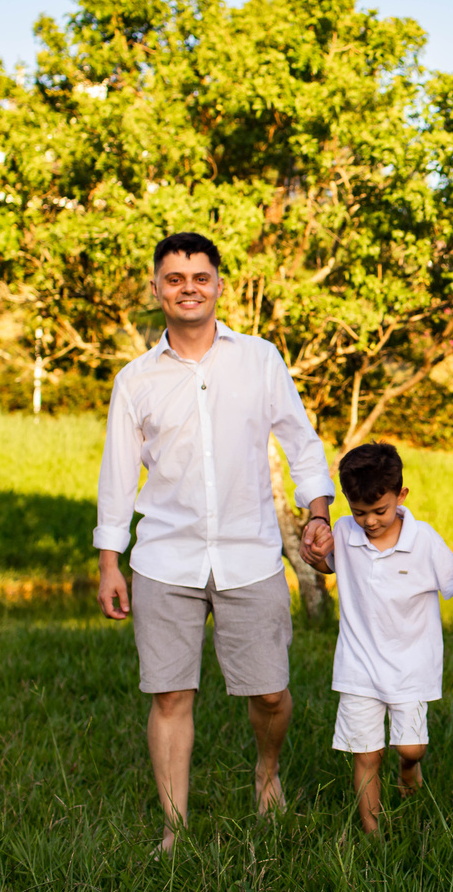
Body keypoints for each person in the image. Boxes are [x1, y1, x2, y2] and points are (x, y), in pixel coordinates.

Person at [93, 231, 335, 853]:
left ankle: (267, 772)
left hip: (249, 553)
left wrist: (318, 511)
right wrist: (109, 562)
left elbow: (301, 442)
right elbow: (117, 477)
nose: (188, 289)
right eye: (175, 279)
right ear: (156, 289)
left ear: (219, 285)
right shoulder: (135, 380)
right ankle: (173, 830)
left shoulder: (260, 359)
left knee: (271, 693)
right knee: (171, 694)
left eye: (200, 277)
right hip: (163, 558)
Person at [301, 442, 453, 833]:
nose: (369, 521)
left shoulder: (424, 540)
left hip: (410, 666)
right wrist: (314, 553)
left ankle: (408, 767)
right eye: (359, 512)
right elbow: (326, 563)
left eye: (379, 511)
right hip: (358, 666)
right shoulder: (343, 532)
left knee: (411, 747)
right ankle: (373, 834)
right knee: (366, 755)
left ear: (401, 496)